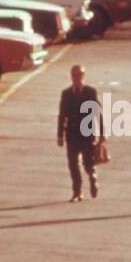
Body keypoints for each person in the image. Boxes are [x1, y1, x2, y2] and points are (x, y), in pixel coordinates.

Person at [56, 64, 104, 202]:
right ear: (71, 76)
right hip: (71, 134)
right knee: (73, 164)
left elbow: (97, 113)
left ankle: (92, 176)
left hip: (87, 133)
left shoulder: (90, 91)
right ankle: (77, 192)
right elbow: (62, 115)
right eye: (75, 75)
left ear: (84, 76)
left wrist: (102, 134)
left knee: (88, 162)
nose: (77, 78)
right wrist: (60, 135)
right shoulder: (66, 93)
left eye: (80, 75)